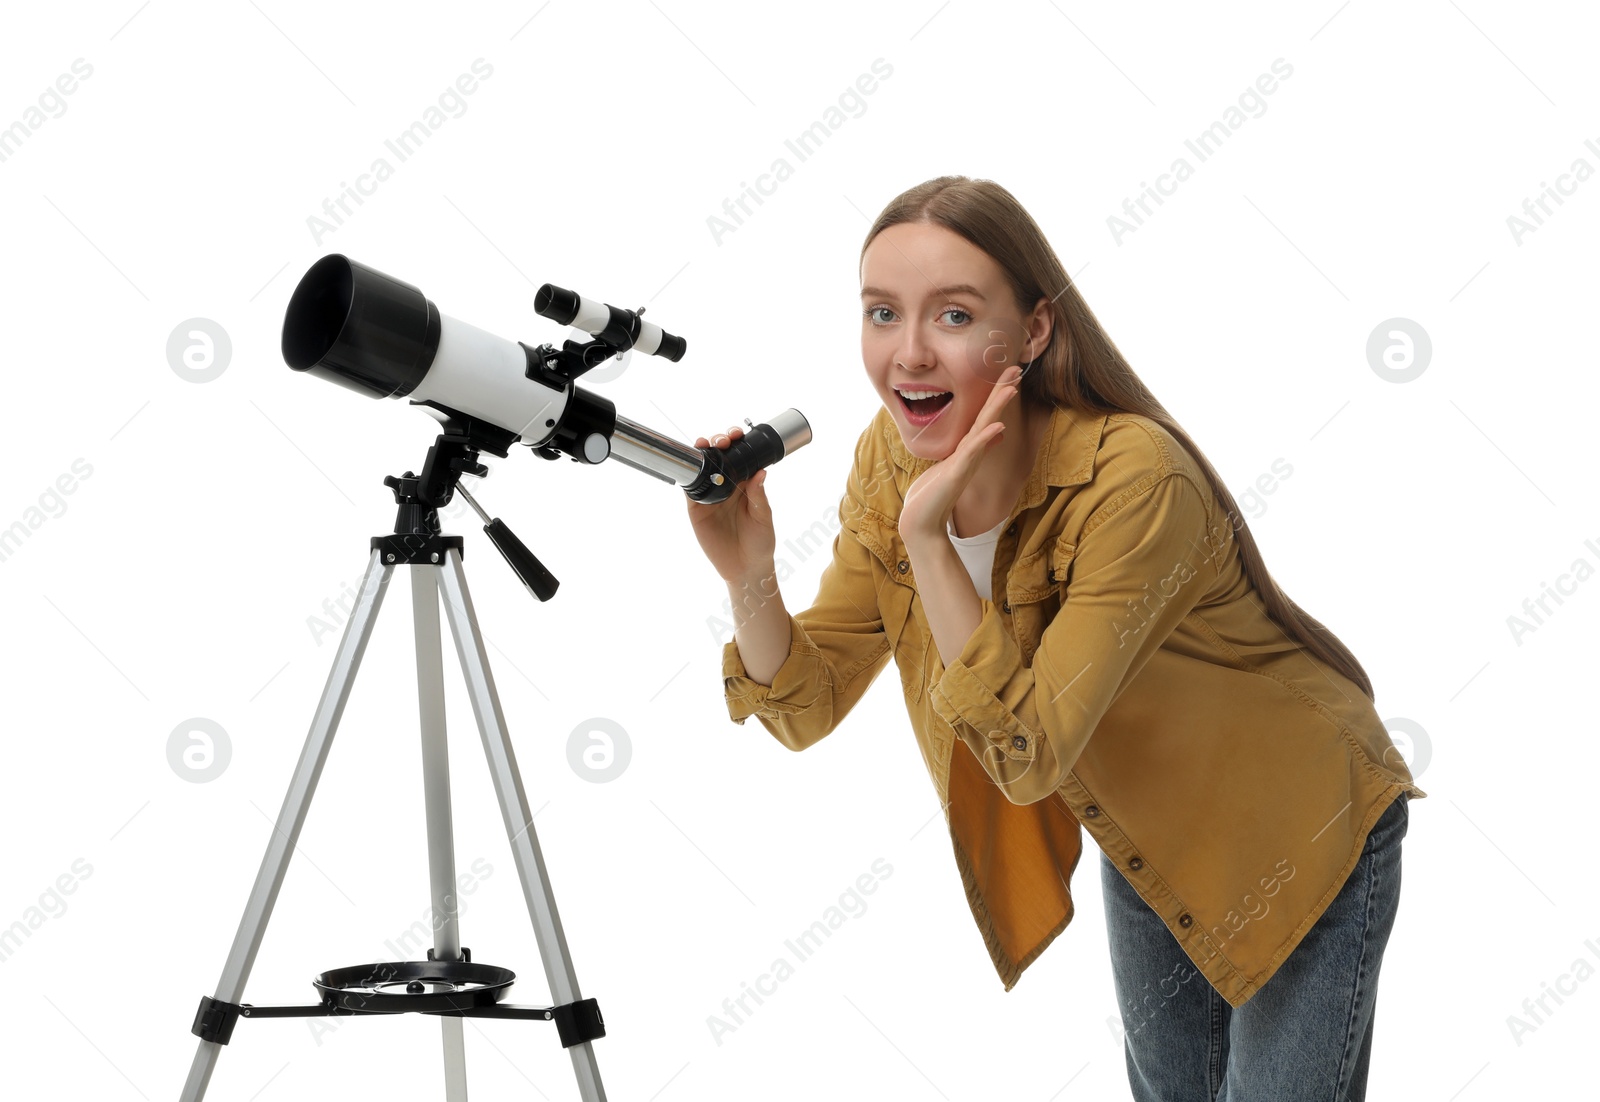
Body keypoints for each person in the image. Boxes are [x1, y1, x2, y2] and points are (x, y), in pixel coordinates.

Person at [685, 175, 1425, 1101]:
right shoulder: (888, 456)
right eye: (882, 312)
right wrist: (748, 573)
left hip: (1298, 823)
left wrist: (930, 541)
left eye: (953, 315)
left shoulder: (1135, 483)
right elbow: (807, 705)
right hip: (1147, 824)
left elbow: (1025, 753)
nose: (907, 355)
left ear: (1034, 332)